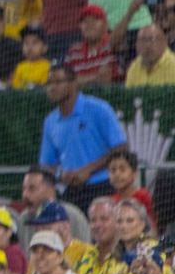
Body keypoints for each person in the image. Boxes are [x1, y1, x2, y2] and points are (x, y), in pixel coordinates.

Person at [40, 62, 127, 205]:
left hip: (104, 185)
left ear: (74, 83)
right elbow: (46, 164)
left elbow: (121, 148)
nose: (52, 88)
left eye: (58, 82)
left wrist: (88, 170)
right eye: (49, 83)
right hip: (70, 189)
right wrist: (61, 175)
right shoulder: (50, 121)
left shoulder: (99, 109)